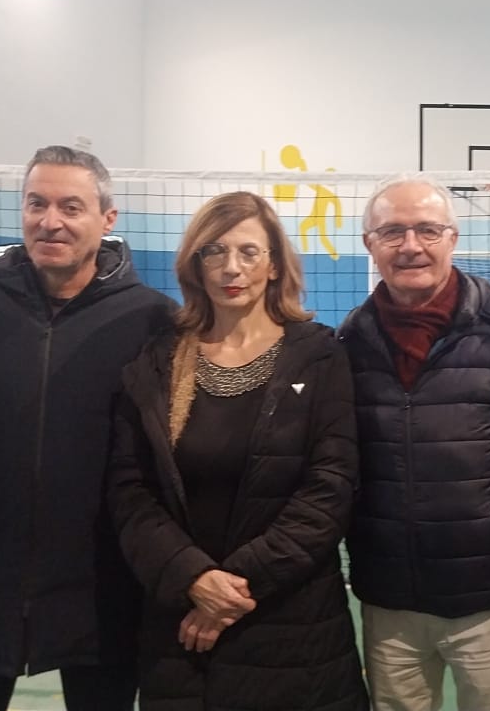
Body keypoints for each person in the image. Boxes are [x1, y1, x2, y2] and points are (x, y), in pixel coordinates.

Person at [0, 146, 175, 710]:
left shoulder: (152, 319)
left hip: (104, 590)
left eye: (71, 207)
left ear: (107, 218)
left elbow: (162, 466)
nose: (51, 221)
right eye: (36, 204)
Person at [106, 191, 367, 709]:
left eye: (249, 252)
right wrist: (193, 578)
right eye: (215, 251)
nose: (231, 267)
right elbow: (130, 491)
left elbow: (330, 489)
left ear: (274, 266)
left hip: (294, 631)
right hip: (182, 635)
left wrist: (229, 592)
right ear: (195, 264)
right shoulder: (158, 360)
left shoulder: (319, 356)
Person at [337, 175, 490, 711]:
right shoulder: (349, 344)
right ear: (369, 244)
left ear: (452, 238)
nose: (411, 246)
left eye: (428, 230)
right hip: (391, 602)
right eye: (392, 232)